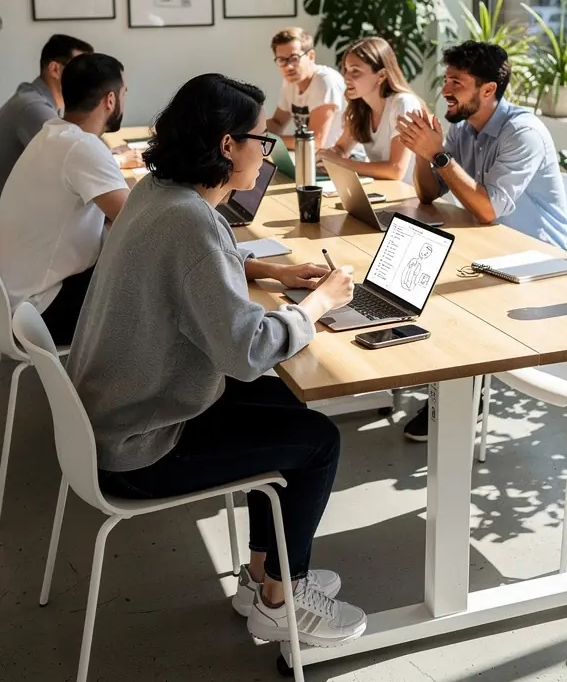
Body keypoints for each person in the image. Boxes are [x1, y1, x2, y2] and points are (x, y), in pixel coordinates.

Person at [68, 73, 367, 648]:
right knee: (317, 440)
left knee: (284, 403)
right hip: (141, 445)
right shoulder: (192, 220)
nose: (267, 152)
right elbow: (246, 352)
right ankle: (280, 601)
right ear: (227, 146)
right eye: (263, 140)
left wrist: (272, 272)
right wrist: (320, 303)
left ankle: (262, 576)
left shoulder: (160, 193)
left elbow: (194, 270)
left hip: (118, 413)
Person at [397, 40, 567, 441]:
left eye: (456, 82)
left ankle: (460, 395)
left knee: (443, 293)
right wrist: (425, 152)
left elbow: (489, 209)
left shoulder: (522, 132)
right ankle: (443, 382)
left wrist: (439, 154)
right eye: (446, 79)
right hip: (493, 246)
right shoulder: (463, 129)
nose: (445, 90)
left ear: (488, 90)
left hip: (537, 259)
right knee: (414, 265)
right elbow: (427, 195)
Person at [0, 53, 130, 345]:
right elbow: (139, 219)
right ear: (110, 100)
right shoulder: (83, 147)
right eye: (124, 92)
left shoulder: (52, 134)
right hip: (40, 313)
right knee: (156, 290)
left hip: (17, 301)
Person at [0, 34, 93, 246]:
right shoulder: (33, 108)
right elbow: (75, 163)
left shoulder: (38, 100)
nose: (91, 79)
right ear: (55, 69)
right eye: (84, 70)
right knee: (91, 237)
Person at [317, 36, 422, 181]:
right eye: (346, 70)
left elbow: (395, 170)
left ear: (381, 75)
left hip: (414, 196)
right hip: (386, 192)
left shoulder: (403, 103)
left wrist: (341, 162)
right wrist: (327, 156)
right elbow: (342, 149)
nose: (346, 77)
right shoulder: (361, 107)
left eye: (355, 71)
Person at [264, 27, 345, 148]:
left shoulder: (325, 81)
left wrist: (267, 141)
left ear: (311, 56)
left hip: (343, 159)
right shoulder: (290, 81)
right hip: (313, 156)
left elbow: (316, 140)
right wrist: (249, 131)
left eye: (294, 58)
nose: (288, 67)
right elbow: (278, 123)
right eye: (282, 60)